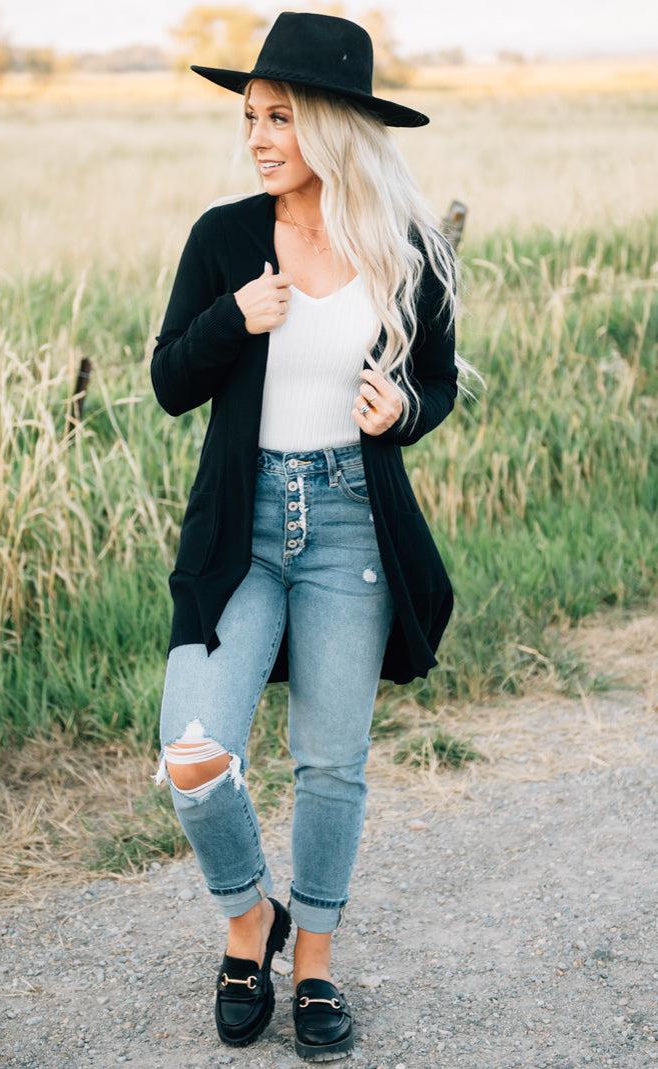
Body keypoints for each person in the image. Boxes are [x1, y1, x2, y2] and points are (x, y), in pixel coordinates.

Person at [150, 10, 478, 1063]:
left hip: (349, 527)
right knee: (194, 752)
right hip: (239, 531)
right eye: (250, 116)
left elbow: (431, 382)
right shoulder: (223, 239)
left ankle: (314, 963)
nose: (256, 136)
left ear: (332, 125)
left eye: (279, 117)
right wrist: (229, 320)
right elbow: (167, 382)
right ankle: (250, 923)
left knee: (330, 765)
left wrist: (403, 414)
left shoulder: (404, 245)